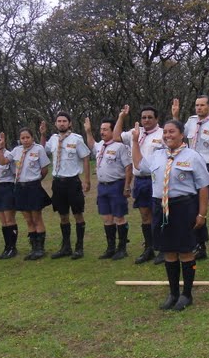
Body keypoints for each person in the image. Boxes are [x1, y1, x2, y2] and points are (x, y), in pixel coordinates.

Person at [131, 119, 209, 311]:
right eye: (165, 132)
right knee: (168, 251)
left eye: (172, 132)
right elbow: (139, 164)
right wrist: (135, 141)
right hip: (160, 207)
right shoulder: (158, 155)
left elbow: (203, 186)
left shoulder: (193, 156)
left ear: (181, 134)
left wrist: (202, 214)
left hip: (183, 207)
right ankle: (173, 293)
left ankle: (187, 294)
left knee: (185, 251)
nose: (167, 135)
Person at [174, 95, 209, 261]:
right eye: (197, 105)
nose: (199, 108)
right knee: (196, 208)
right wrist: (175, 116)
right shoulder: (191, 122)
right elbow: (180, 136)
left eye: (202, 105)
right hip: (192, 167)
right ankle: (200, 245)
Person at [114, 104, 166, 264]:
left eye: (150, 117)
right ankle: (149, 248)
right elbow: (115, 137)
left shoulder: (163, 133)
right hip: (141, 180)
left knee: (160, 215)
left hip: (157, 179)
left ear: (156, 119)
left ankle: (163, 249)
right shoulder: (135, 132)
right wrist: (121, 117)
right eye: (144, 117)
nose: (146, 120)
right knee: (145, 215)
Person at [40, 112, 91, 259]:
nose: (61, 123)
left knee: (78, 214)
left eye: (64, 121)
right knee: (63, 215)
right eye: (59, 121)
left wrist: (87, 180)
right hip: (58, 183)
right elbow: (43, 150)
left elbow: (85, 158)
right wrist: (42, 135)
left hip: (72, 182)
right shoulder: (53, 139)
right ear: (56, 123)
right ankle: (66, 247)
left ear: (69, 123)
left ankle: (79, 248)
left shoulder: (76, 139)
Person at [86, 116, 133, 260]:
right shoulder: (101, 145)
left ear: (113, 131)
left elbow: (128, 167)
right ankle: (110, 248)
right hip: (102, 187)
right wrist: (88, 131)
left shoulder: (120, 147)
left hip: (116, 185)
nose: (102, 132)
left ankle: (122, 248)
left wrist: (127, 186)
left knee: (119, 217)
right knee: (107, 218)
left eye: (105, 129)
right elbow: (92, 145)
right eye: (101, 129)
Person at [1, 128, 50, 260]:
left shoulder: (38, 149)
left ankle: (40, 248)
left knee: (36, 218)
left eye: (28, 137)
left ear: (32, 138)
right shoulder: (16, 150)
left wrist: (36, 181)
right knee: (28, 219)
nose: (25, 140)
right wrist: (1, 148)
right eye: (23, 138)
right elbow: (3, 162)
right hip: (20, 187)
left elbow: (44, 169)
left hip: (33, 186)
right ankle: (33, 247)